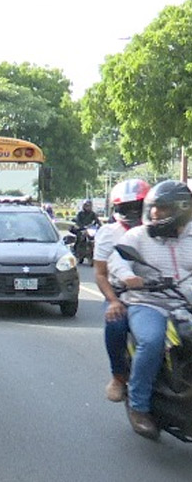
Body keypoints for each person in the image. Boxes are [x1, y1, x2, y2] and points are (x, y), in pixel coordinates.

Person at [109, 180, 192, 439]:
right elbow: (116, 260)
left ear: (181, 209)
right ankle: (139, 406)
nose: (155, 214)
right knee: (152, 340)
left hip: (185, 302)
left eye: (163, 209)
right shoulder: (138, 236)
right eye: (153, 208)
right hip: (148, 302)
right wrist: (128, 276)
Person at [92, 179, 150, 403]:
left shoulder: (161, 229)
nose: (133, 211)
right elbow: (100, 273)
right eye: (127, 207)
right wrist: (113, 300)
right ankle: (118, 376)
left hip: (161, 292)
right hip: (121, 293)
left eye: (138, 205)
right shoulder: (109, 233)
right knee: (116, 324)